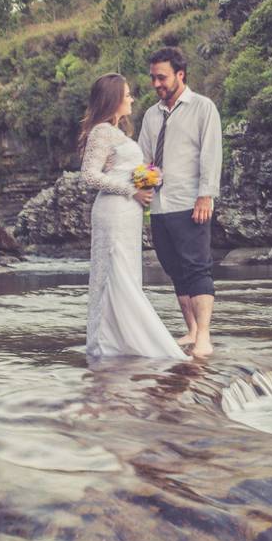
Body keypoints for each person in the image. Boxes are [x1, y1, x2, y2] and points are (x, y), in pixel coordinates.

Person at [79, 72, 188, 360]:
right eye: (127, 94)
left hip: (129, 213)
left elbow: (125, 170)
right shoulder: (101, 131)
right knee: (115, 272)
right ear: (113, 99)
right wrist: (132, 190)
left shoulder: (118, 134)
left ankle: (123, 339)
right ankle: (111, 341)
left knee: (126, 273)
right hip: (113, 211)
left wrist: (147, 179)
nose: (131, 98)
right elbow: (89, 176)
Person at [138, 47, 222, 357]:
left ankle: (204, 336)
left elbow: (211, 154)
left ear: (180, 75)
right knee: (175, 269)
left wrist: (205, 195)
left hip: (191, 203)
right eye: (153, 78)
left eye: (161, 77)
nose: (156, 84)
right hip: (159, 207)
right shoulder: (150, 115)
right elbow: (145, 160)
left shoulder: (203, 108)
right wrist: (141, 188)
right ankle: (190, 330)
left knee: (197, 268)